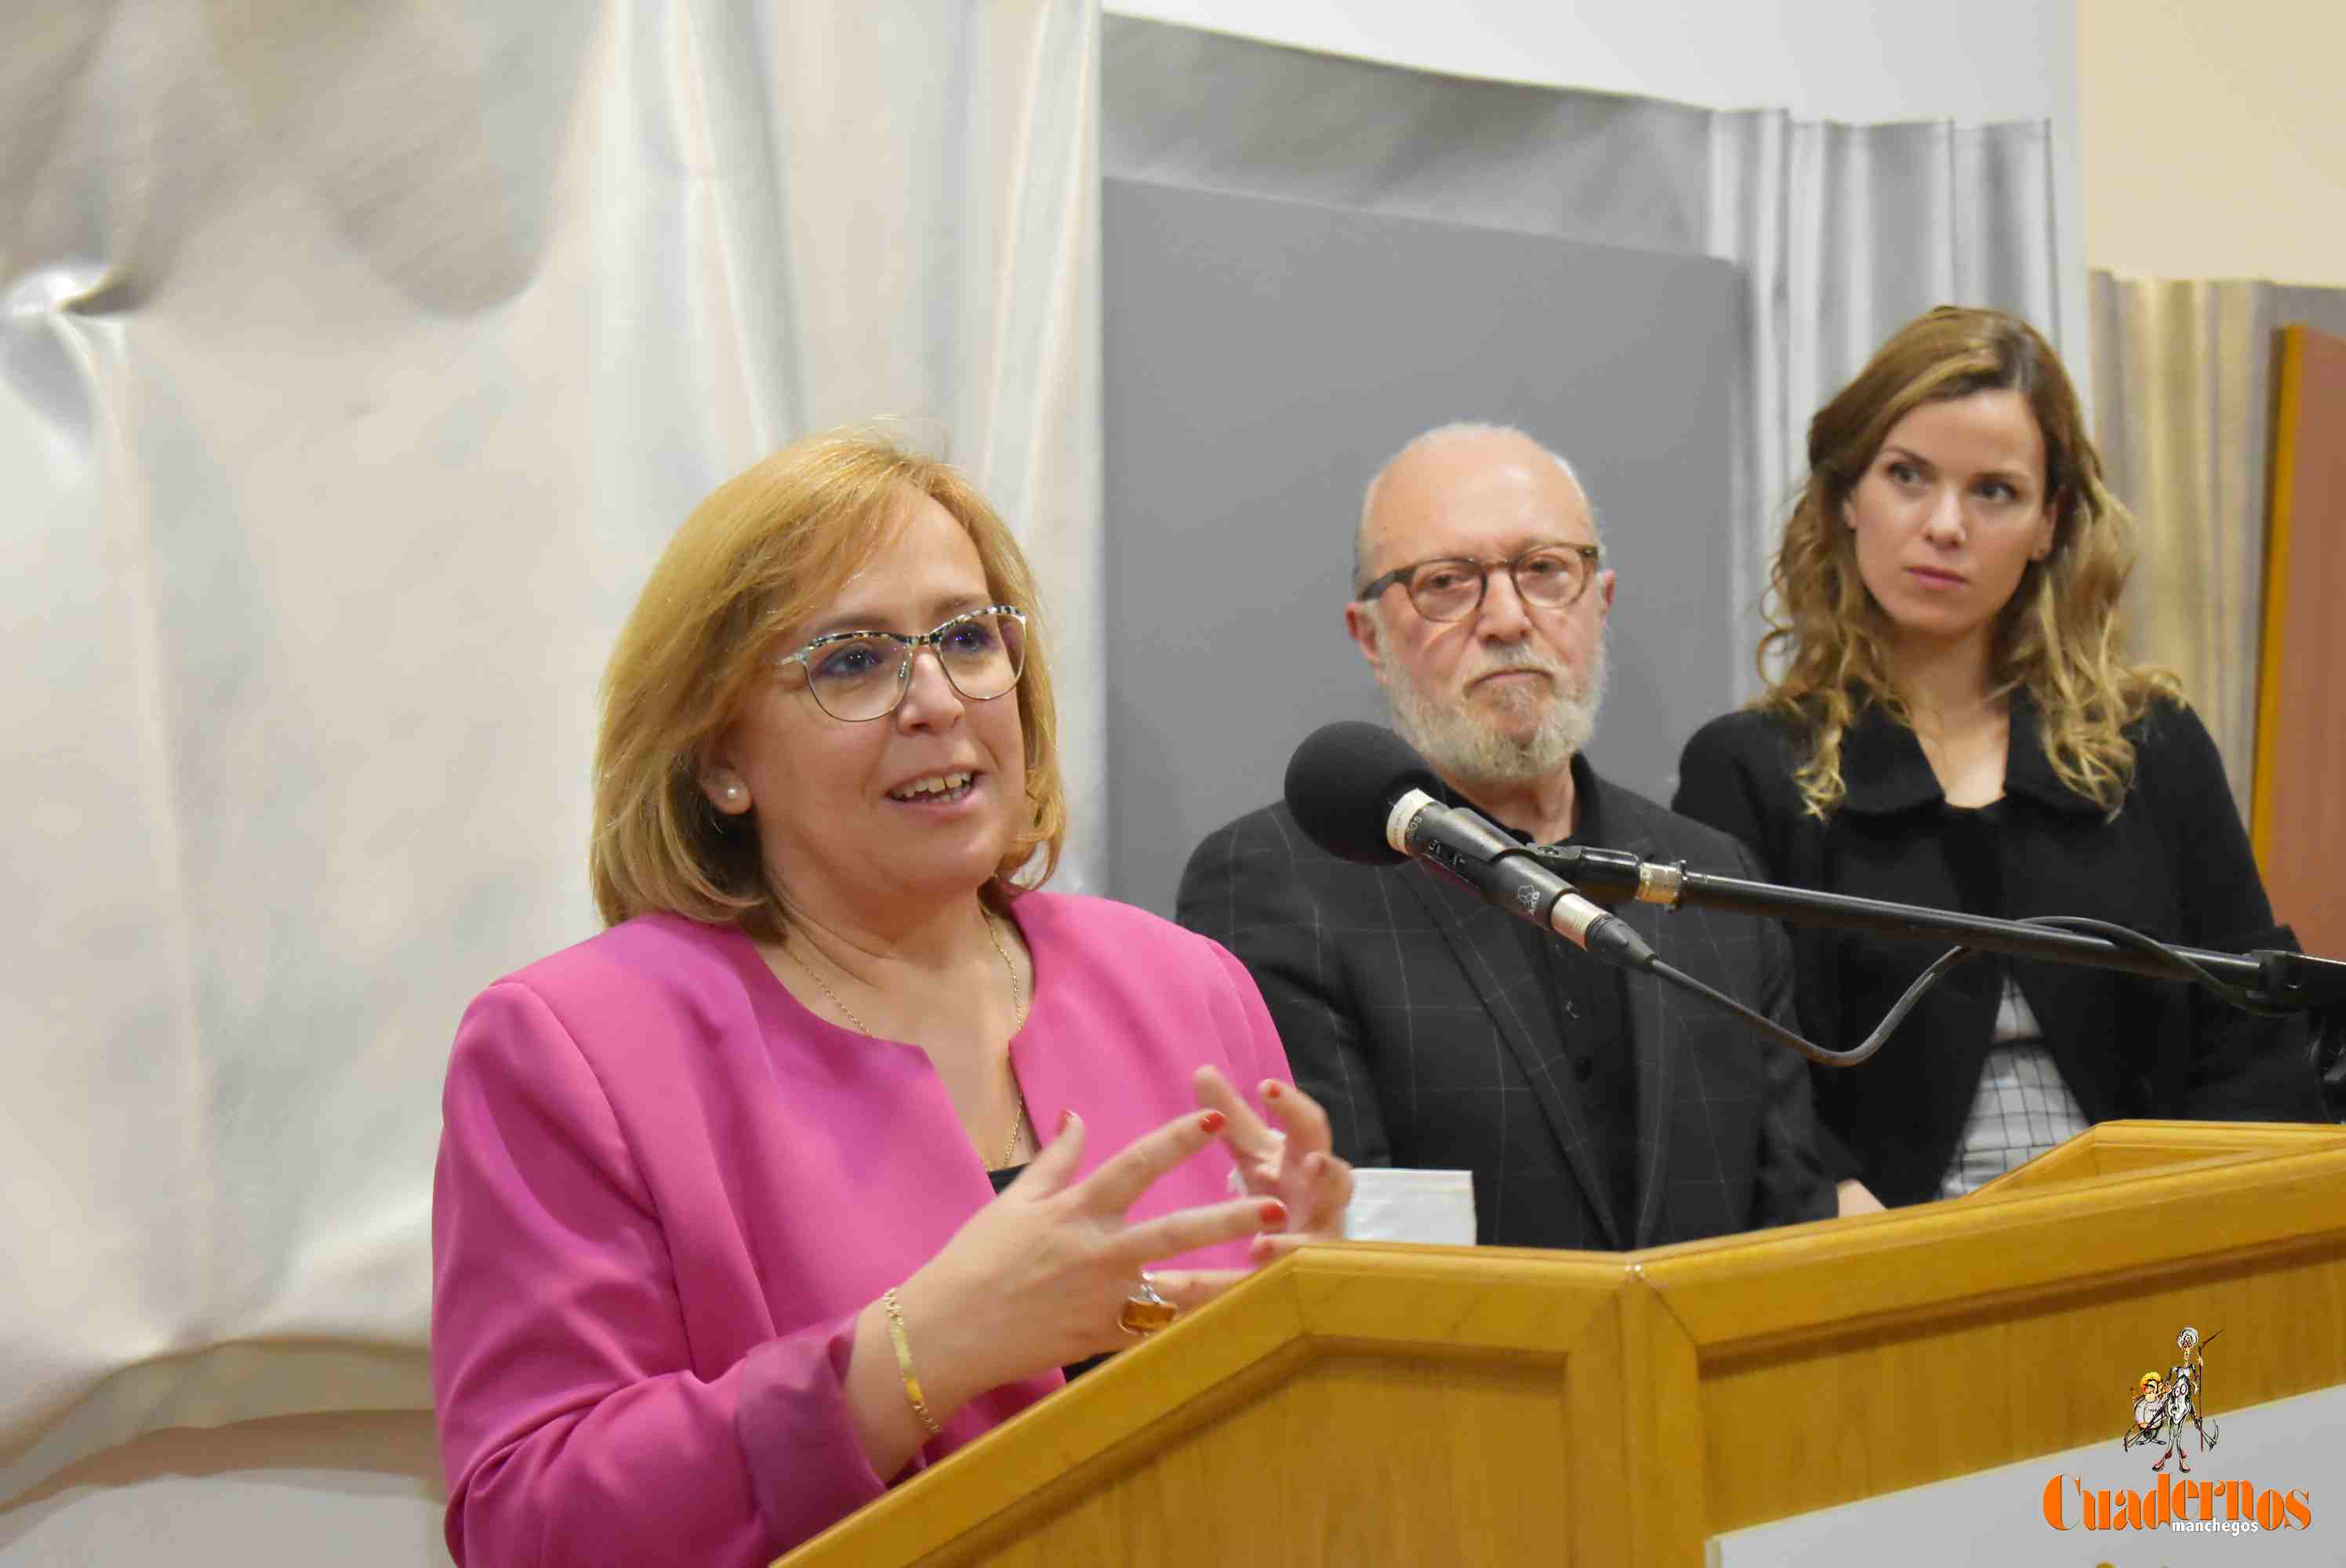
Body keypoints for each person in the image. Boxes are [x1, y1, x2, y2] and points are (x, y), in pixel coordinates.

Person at [430, 433, 1353, 1566]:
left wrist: (1313, 1311)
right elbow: (530, 1526)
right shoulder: (573, 1049)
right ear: (722, 759)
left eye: (968, 639)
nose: (935, 698)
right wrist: (907, 1361)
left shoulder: (1182, 985)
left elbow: (1223, 1387)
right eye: (853, 663)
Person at [1674, 306, 2322, 1209]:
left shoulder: (2152, 743)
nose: (1945, 524)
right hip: (1887, 1268)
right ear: (1845, 498)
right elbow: (1733, 1065)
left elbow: (2252, 1042)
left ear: (2049, 521)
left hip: (2153, 1239)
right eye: (1907, 476)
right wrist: (1830, 1199)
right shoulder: (1746, 770)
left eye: (1994, 491)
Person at [1178, 423, 1844, 1254]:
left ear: (1598, 603)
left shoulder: (1710, 876)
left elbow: (1791, 1221)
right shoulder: (1276, 881)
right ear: (1368, 638)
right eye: (1446, 583)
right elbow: (1332, 1246)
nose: (1505, 618)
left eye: (1543, 571)